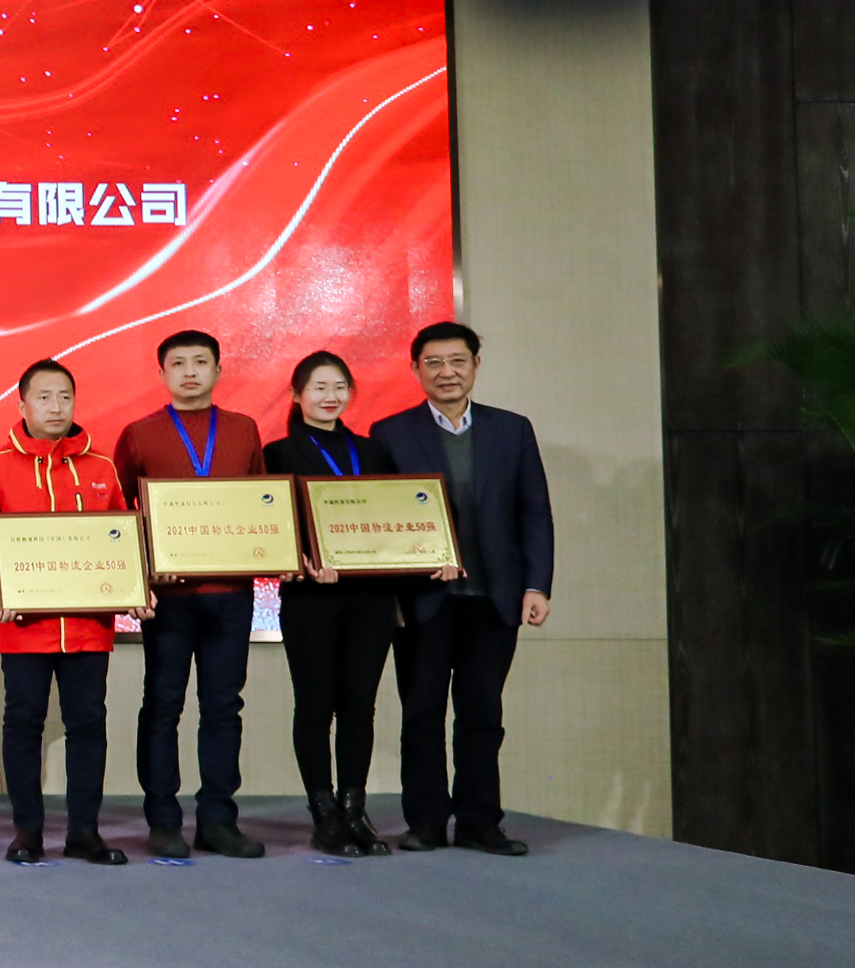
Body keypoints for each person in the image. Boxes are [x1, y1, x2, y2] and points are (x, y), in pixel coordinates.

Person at [370, 321, 555, 855]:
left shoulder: (511, 429)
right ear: (415, 369)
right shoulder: (391, 433)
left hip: (494, 598)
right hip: (422, 602)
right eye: (433, 362)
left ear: (475, 365)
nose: (446, 372)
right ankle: (426, 821)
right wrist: (394, 590)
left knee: (483, 714)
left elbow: (534, 512)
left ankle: (479, 822)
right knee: (421, 714)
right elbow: (380, 519)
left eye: (457, 361)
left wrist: (536, 585)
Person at [0, 359, 136, 866]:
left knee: (89, 724)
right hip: (22, 625)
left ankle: (85, 831)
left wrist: (132, 586)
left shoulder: (101, 468)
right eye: (43, 397)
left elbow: (122, 539)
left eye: (64, 397)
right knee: (23, 723)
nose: (55, 407)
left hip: (88, 625)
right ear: (22, 405)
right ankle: (28, 831)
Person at [110, 330, 268, 860]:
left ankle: (219, 819)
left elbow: (261, 505)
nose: (190, 372)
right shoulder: (139, 434)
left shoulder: (243, 429)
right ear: (162, 374)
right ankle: (163, 821)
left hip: (232, 592)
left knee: (224, 706)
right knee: (163, 704)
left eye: (201, 362)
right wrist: (143, 575)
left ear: (218, 370)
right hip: (169, 597)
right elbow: (119, 516)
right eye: (178, 363)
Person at [267, 350, 396, 857]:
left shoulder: (374, 451)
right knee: (316, 703)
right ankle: (323, 814)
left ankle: (353, 807)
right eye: (319, 387)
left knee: (360, 704)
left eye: (339, 387)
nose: (330, 396)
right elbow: (269, 525)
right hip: (310, 597)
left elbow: (394, 518)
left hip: (371, 598)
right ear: (297, 395)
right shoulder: (276, 454)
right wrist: (296, 557)